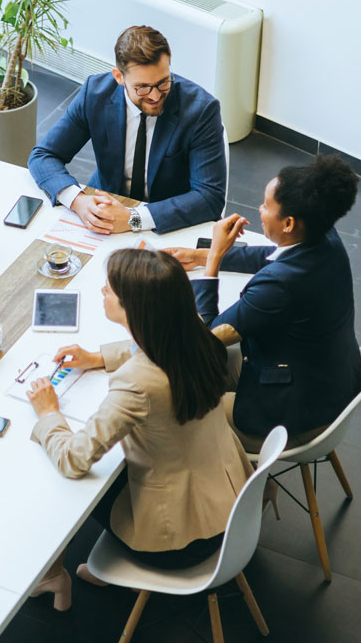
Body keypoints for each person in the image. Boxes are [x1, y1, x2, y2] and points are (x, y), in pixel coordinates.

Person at [23, 248, 252, 610]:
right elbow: (152, 349)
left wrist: (49, 412)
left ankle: (55, 574)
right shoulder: (195, 331)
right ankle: (79, 572)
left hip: (179, 543)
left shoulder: (137, 383)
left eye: (110, 290)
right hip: (233, 509)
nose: (102, 292)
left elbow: (74, 458)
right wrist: (99, 357)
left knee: (56, 476)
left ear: (134, 308)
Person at [165, 154, 361, 446]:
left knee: (172, 409)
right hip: (327, 381)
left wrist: (214, 260)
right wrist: (199, 255)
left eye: (267, 206)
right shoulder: (323, 236)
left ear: (289, 223)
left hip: (294, 415)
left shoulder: (280, 285)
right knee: (190, 370)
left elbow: (206, 336)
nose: (259, 209)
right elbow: (272, 255)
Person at [27, 25, 226, 235]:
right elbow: (43, 155)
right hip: (106, 208)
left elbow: (209, 196)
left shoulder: (201, 109)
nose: (155, 96)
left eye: (163, 83)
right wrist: (78, 201)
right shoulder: (94, 94)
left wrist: (134, 218)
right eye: (142, 87)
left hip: (167, 220)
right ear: (119, 77)